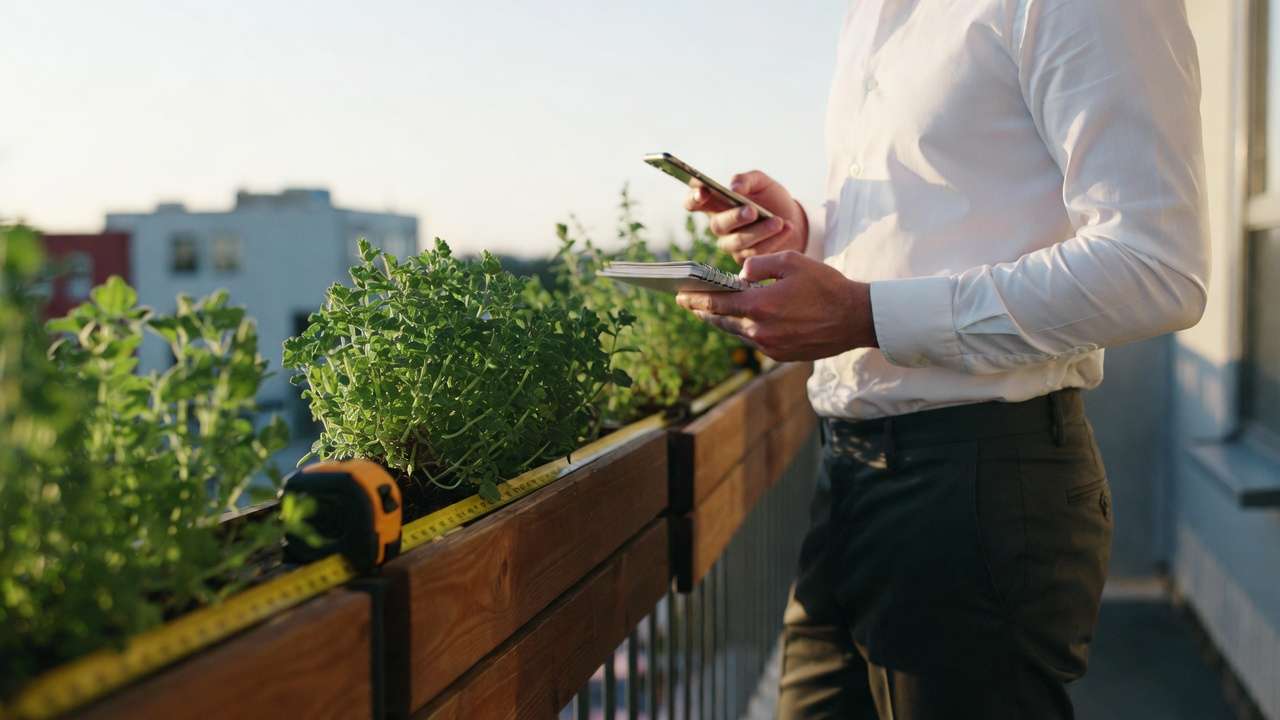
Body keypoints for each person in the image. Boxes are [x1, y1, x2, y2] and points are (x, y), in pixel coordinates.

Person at [675, 1, 1209, 718]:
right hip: (849, 479)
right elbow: (935, 227)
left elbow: (1157, 267)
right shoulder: (871, 15)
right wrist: (807, 233)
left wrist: (862, 312)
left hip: (980, 492)